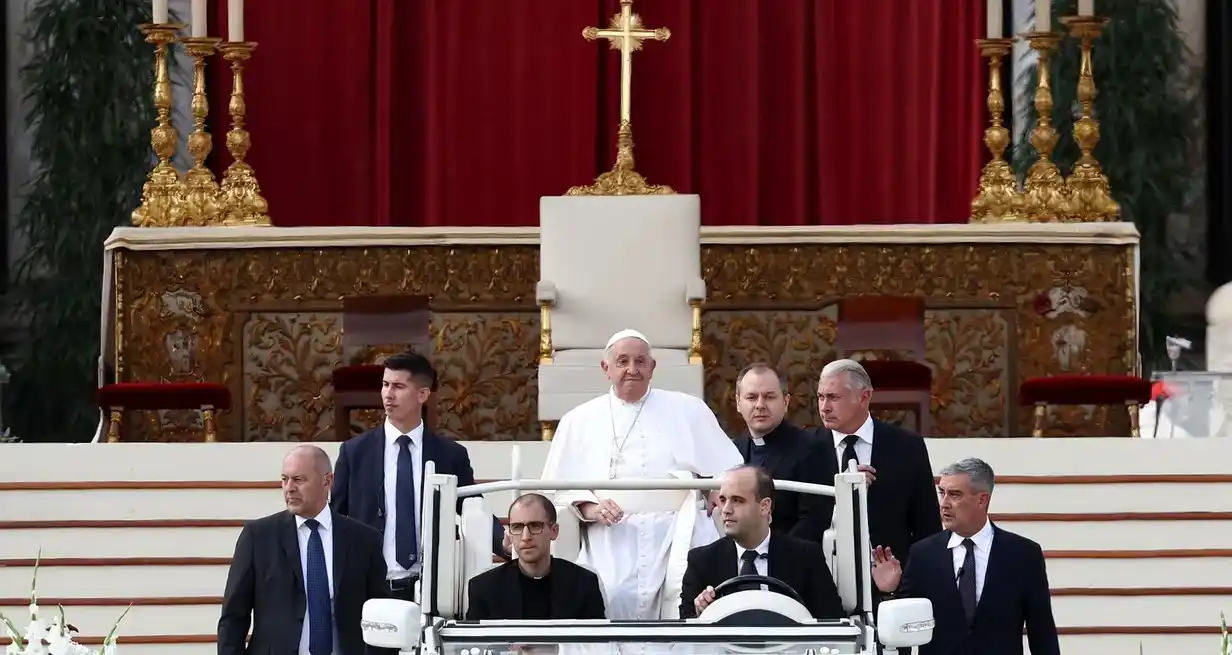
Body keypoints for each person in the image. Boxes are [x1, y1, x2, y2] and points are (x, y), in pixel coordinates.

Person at [540, 328, 743, 620]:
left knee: (688, 596)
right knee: (610, 591)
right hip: (612, 533)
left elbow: (729, 470)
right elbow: (558, 488)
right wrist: (592, 508)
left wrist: (715, 490)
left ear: (652, 367)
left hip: (679, 529)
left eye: (640, 362)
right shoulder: (578, 420)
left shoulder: (689, 409)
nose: (632, 369)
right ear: (605, 368)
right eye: (622, 362)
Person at [330, 351, 507, 602]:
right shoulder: (354, 452)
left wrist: (507, 544)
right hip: (370, 589)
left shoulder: (450, 455)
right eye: (385, 384)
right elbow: (336, 517)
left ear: (422, 394)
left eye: (398, 386)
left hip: (431, 589)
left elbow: (473, 509)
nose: (388, 394)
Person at [872, 458, 1060, 655]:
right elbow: (904, 627)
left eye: (954, 495)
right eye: (942, 493)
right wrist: (889, 592)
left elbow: (1042, 632)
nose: (944, 504)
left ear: (982, 499)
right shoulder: (923, 554)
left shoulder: (1023, 554)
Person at [217, 445, 388, 655]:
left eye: (299, 480)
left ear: (327, 481)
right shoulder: (258, 537)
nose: (289, 488)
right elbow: (233, 616)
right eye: (284, 479)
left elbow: (382, 618)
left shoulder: (364, 540)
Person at [813, 359, 941, 610]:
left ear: (864, 396)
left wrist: (907, 587)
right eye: (820, 397)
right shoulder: (806, 449)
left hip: (892, 591)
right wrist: (843, 488)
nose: (824, 407)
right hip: (822, 590)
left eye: (833, 397)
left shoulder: (907, 446)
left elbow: (927, 528)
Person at [679, 465, 843, 620]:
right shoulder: (702, 560)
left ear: (764, 506)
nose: (726, 509)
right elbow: (685, 628)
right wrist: (701, 611)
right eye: (723, 500)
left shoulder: (805, 556)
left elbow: (832, 621)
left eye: (737, 500)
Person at [730, 363, 832, 542]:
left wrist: (772, 552)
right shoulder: (730, 450)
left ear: (785, 402)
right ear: (738, 403)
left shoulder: (811, 449)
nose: (760, 405)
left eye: (769, 397)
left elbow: (814, 519)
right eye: (752, 397)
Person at [466, 493, 607, 620]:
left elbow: (598, 646)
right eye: (517, 527)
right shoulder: (484, 587)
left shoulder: (584, 583)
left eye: (535, 526)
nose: (526, 537)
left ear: (554, 531)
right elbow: (473, 646)